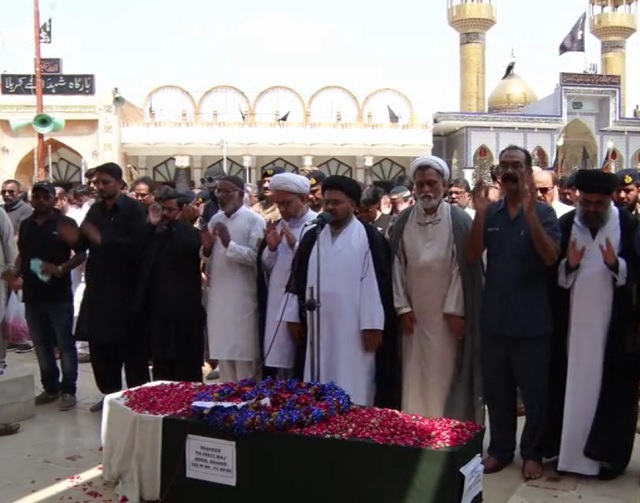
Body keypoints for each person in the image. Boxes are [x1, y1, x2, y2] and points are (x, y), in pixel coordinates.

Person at [468, 145, 560, 481]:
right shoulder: (490, 213)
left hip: (532, 322)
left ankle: (532, 453)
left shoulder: (545, 213)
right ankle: (500, 451)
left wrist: (532, 216)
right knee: (498, 392)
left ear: (527, 170)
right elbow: (472, 253)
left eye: (516, 166)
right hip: (495, 320)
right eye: (504, 166)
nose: (509, 171)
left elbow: (551, 258)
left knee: (535, 394)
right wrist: (479, 214)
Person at [546, 169, 639, 480]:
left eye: (598, 204)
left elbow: (636, 274)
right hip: (572, 330)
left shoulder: (627, 225)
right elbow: (551, 279)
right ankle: (568, 455)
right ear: (577, 197)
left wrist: (617, 265)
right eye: (586, 202)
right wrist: (568, 266)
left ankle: (604, 457)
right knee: (568, 388)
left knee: (611, 390)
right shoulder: (565, 224)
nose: (591, 209)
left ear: (610, 199)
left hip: (612, 331)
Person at [285, 175, 399, 408]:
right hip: (319, 326)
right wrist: (292, 315)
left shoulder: (369, 237)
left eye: (336, 202)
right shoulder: (313, 235)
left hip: (355, 329)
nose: (330, 208)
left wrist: (373, 324)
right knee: (318, 380)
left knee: (354, 382)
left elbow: (376, 285)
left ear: (353, 205)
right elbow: (296, 277)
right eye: (326, 202)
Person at [389, 156, 483, 423]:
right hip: (414, 316)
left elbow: (461, 267)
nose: (426, 190)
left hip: (447, 317)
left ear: (443, 184)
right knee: (414, 370)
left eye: (432, 183)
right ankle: (414, 425)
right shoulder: (404, 219)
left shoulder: (459, 219)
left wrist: (455, 310)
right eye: (421, 185)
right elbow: (397, 265)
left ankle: (443, 427)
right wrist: (402, 307)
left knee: (444, 371)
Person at [70, 163, 150, 412]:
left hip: (127, 292)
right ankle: (110, 395)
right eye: (96, 183)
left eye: (105, 182)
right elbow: (83, 240)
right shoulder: (95, 209)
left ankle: (138, 398)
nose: (99, 187)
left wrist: (102, 240)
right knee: (102, 348)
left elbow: (138, 247)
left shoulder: (134, 210)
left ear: (119, 183)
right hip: (100, 290)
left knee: (132, 349)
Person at [14, 182, 85, 411]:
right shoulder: (26, 225)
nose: (41, 200)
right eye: (37, 196)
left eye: (46, 196)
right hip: (33, 295)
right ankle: (51, 387)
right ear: (32, 199)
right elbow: (23, 255)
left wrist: (62, 269)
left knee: (64, 343)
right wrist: (14, 274)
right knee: (41, 344)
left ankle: (68, 390)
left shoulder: (64, 223)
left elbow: (81, 253)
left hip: (58, 295)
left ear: (55, 199)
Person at [135, 190, 205, 382]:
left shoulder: (192, 234)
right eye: (163, 209)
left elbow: (186, 249)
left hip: (184, 313)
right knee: (162, 366)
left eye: (171, 210)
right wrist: (152, 224)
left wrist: (182, 222)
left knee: (186, 367)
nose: (165, 214)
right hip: (158, 312)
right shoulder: (155, 233)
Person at [202, 176, 266, 382]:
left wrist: (229, 244)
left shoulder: (254, 220)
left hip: (243, 299)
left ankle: (248, 407)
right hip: (219, 298)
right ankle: (226, 406)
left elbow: (257, 259)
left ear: (240, 193)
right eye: (218, 192)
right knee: (225, 356)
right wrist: (207, 248)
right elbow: (207, 258)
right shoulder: (215, 220)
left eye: (226, 192)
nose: (221, 197)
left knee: (244, 356)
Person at [257, 173, 317, 379]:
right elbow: (267, 266)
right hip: (276, 302)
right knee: (278, 363)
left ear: (304, 198)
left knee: (300, 362)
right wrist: (272, 248)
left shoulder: (317, 226)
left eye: (287, 203)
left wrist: (296, 247)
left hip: (301, 306)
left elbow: (317, 266)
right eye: (278, 204)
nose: (282, 209)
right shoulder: (280, 225)